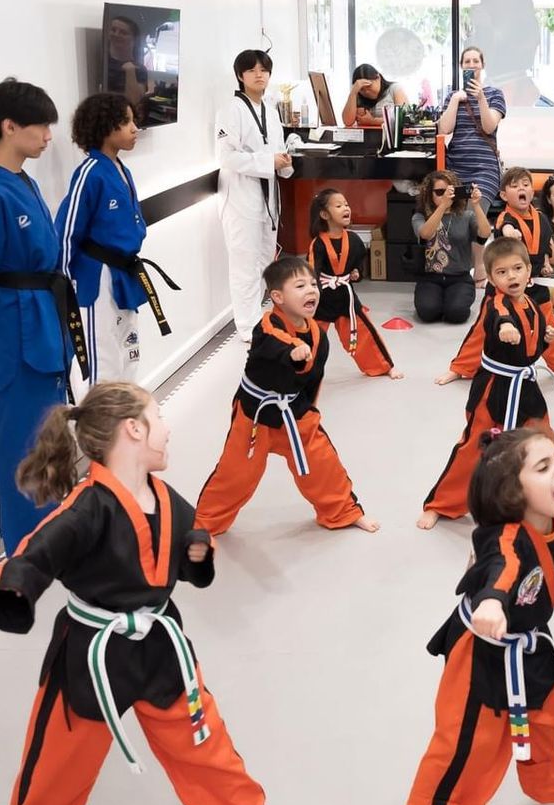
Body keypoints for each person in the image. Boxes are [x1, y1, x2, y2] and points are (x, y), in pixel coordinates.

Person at [0, 383, 279, 805]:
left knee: (203, 738)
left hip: (160, 644)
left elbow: (183, 543)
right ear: (133, 430)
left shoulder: (164, 496)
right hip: (94, 652)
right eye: (159, 417)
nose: (168, 427)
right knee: (55, 762)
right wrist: (16, 590)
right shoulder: (87, 507)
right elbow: (35, 553)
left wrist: (196, 556)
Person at [385, 428, 554, 805]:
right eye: (544, 467)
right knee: (462, 746)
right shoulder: (507, 538)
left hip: (530, 646)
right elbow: (502, 566)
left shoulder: (553, 521)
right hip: (481, 654)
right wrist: (492, 599)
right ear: (513, 491)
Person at [0, 79, 72, 554]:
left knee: (51, 434)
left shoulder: (22, 181)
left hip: (43, 317)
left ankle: (56, 532)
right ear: (8, 127)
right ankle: (25, 550)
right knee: (22, 441)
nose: (49, 136)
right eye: (41, 126)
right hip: (15, 327)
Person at [195, 256, 378, 536]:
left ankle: (342, 511)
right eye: (300, 285)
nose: (311, 291)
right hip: (255, 414)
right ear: (277, 296)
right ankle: (204, 525)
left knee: (322, 463)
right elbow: (275, 344)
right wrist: (293, 352)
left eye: (314, 284)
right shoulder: (267, 326)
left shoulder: (318, 335)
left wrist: (309, 411)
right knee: (237, 474)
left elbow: (312, 382)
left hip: (294, 411)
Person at [419, 240, 554, 530]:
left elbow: (531, 351)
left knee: (547, 445)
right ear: (490, 278)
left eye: (517, 269)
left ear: (528, 272)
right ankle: (441, 504)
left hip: (526, 387)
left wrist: (544, 340)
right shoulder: (496, 305)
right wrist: (506, 328)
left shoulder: (533, 306)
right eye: (502, 272)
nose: (511, 277)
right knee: (473, 448)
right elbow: (499, 320)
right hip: (493, 389)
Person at [58, 93, 176, 388]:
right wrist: (62, 286)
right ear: (104, 127)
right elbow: (66, 233)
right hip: (98, 279)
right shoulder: (89, 173)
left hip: (125, 272)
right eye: (126, 122)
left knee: (129, 352)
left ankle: (123, 422)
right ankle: (97, 430)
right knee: (102, 359)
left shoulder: (121, 170)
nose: (135, 128)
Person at [439, 167, 554, 385]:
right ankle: (460, 368)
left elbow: (545, 248)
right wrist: (510, 233)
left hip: (534, 284)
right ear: (503, 195)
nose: (522, 189)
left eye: (526, 185)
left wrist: (546, 262)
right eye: (515, 185)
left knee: (552, 327)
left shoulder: (542, 218)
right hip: (503, 287)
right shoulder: (505, 217)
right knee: (483, 328)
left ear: (532, 191)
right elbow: (505, 228)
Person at [218, 50, 293, 335]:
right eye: (252, 70)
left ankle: (258, 315)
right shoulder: (230, 110)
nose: (259, 75)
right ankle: (247, 326)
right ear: (240, 76)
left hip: (267, 196)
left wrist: (284, 163)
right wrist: (268, 162)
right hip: (241, 197)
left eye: (264, 70)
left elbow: (277, 149)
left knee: (264, 259)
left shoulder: (269, 109)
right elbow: (228, 158)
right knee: (244, 263)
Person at [307, 188, 401, 380]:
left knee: (364, 333)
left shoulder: (354, 239)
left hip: (345, 298)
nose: (345, 208)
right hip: (322, 299)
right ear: (324, 214)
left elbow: (358, 261)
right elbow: (312, 272)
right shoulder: (317, 244)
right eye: (339, 205)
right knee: (309, 338)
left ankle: (383, 366)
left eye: (346, 204)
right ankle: (301, 371)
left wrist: (357, 272)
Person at [412, 169, 491, 325]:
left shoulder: (466, 216)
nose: (444, 196)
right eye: (439, 192)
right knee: (428, 312)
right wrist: (442, 207)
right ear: (429, 194)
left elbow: (484, 234)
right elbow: (425, 234)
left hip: (460, 277)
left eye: (449, 192)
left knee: (457, 313)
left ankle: (450, 301)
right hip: (430, 277)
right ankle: (438, 300)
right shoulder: (420, 216)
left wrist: (476, 206)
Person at [440, 46, 507, 204]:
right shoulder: (453, 96)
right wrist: (456, 99)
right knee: (454, 213)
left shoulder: (495, 94)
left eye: (476, 61)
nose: (471, 64)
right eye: (467, 61)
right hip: (455, 168)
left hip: (484, 169)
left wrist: (481, 98)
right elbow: (445, 129)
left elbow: (489, 127)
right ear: (461, 66)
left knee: (474, 212)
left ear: (482, 65)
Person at [345, 63, 410, 130]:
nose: (366, 91)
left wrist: (373, 121)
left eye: (368, 86)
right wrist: (353, 92)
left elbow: (403, 118)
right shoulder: (358, 95)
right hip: (368, 137)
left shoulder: (394, 89)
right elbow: (348, 122)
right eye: (362, 89)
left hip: (391, 137)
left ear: (378, 78)